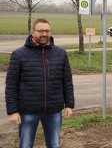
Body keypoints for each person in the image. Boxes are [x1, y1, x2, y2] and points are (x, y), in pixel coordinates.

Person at [5, 19, 75, 148]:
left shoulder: (60, 53)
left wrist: (69, 105)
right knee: (25, 145)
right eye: (40, 31)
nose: (44, 34)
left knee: (54, 145)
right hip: (28, 111)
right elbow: (11, 85)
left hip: (53, 111)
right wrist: (13, 111)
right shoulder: (19, 54)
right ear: (33, 32)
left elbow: (67, 81)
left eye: (47, 31)